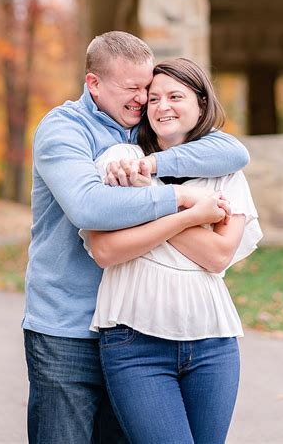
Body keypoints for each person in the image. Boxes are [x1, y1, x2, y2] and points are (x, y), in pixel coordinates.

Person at [23, 31, 250, 444]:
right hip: (68, 325)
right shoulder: (64, 130)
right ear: (94, 84)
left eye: (147, 88)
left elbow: (234, 152)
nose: (145, 100)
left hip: (135, 325)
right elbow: (89, 207)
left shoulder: (141, 135)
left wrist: (152, 162)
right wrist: (181, 198)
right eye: (134, 89)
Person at [81, 58, 262, 444]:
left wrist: (147, 210)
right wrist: (185, 211)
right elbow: (105, 249)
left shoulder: (226, 172)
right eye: (154, 98)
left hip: (213, 341)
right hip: (134, 342)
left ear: (200, 102)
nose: (162, 106)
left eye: (176, 96)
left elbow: (217, 256)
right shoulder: (120, 164)